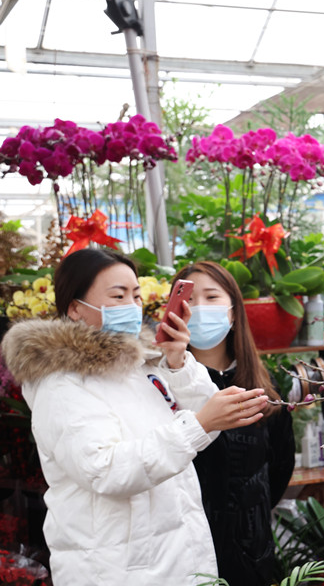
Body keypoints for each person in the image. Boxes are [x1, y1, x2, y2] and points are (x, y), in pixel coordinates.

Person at [0, 249, 269, 586]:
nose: (132, 305)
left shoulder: (139, 366)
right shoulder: (62, 385)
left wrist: (178, 362)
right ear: (75, 308)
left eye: (136, 295)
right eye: (118, 295)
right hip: (116, 570)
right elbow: (105, 470)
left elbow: (204, 426)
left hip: (174, 559)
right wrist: (199, 425)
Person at [172, 261, 296, 586]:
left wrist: (250, 515)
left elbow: (280, 467)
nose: (199, 308)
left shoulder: (263, 389)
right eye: (189, 299)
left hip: (251, 554)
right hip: (182, 555)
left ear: (234, 313)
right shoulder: (163, 385)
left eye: (211, 297)